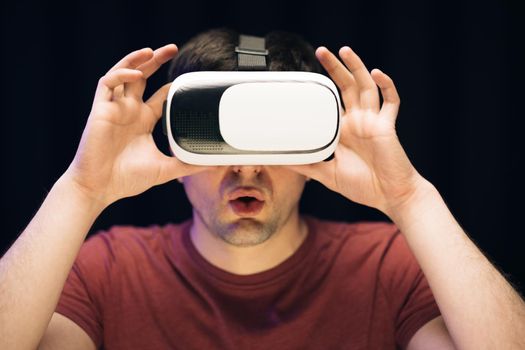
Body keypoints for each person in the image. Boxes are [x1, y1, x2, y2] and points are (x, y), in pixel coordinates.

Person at [0, 27, 524, 350]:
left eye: (271, 135)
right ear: (176, 142)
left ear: (316, 144)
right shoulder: (109, 271)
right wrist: (83, 188)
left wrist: (409, 198)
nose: (247, 168)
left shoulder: (386, 265)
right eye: (218, 135)